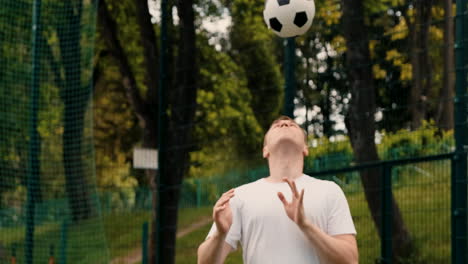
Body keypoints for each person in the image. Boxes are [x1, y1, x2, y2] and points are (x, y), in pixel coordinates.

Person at [197, 116, 358, 264]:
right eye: (276, 125)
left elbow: (350, 261)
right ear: (265, 150)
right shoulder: (239, 196)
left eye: (292, 124)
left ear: (305, 148)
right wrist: (220, 233)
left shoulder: (330, 191)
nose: (284, 123)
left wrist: (306, 225)